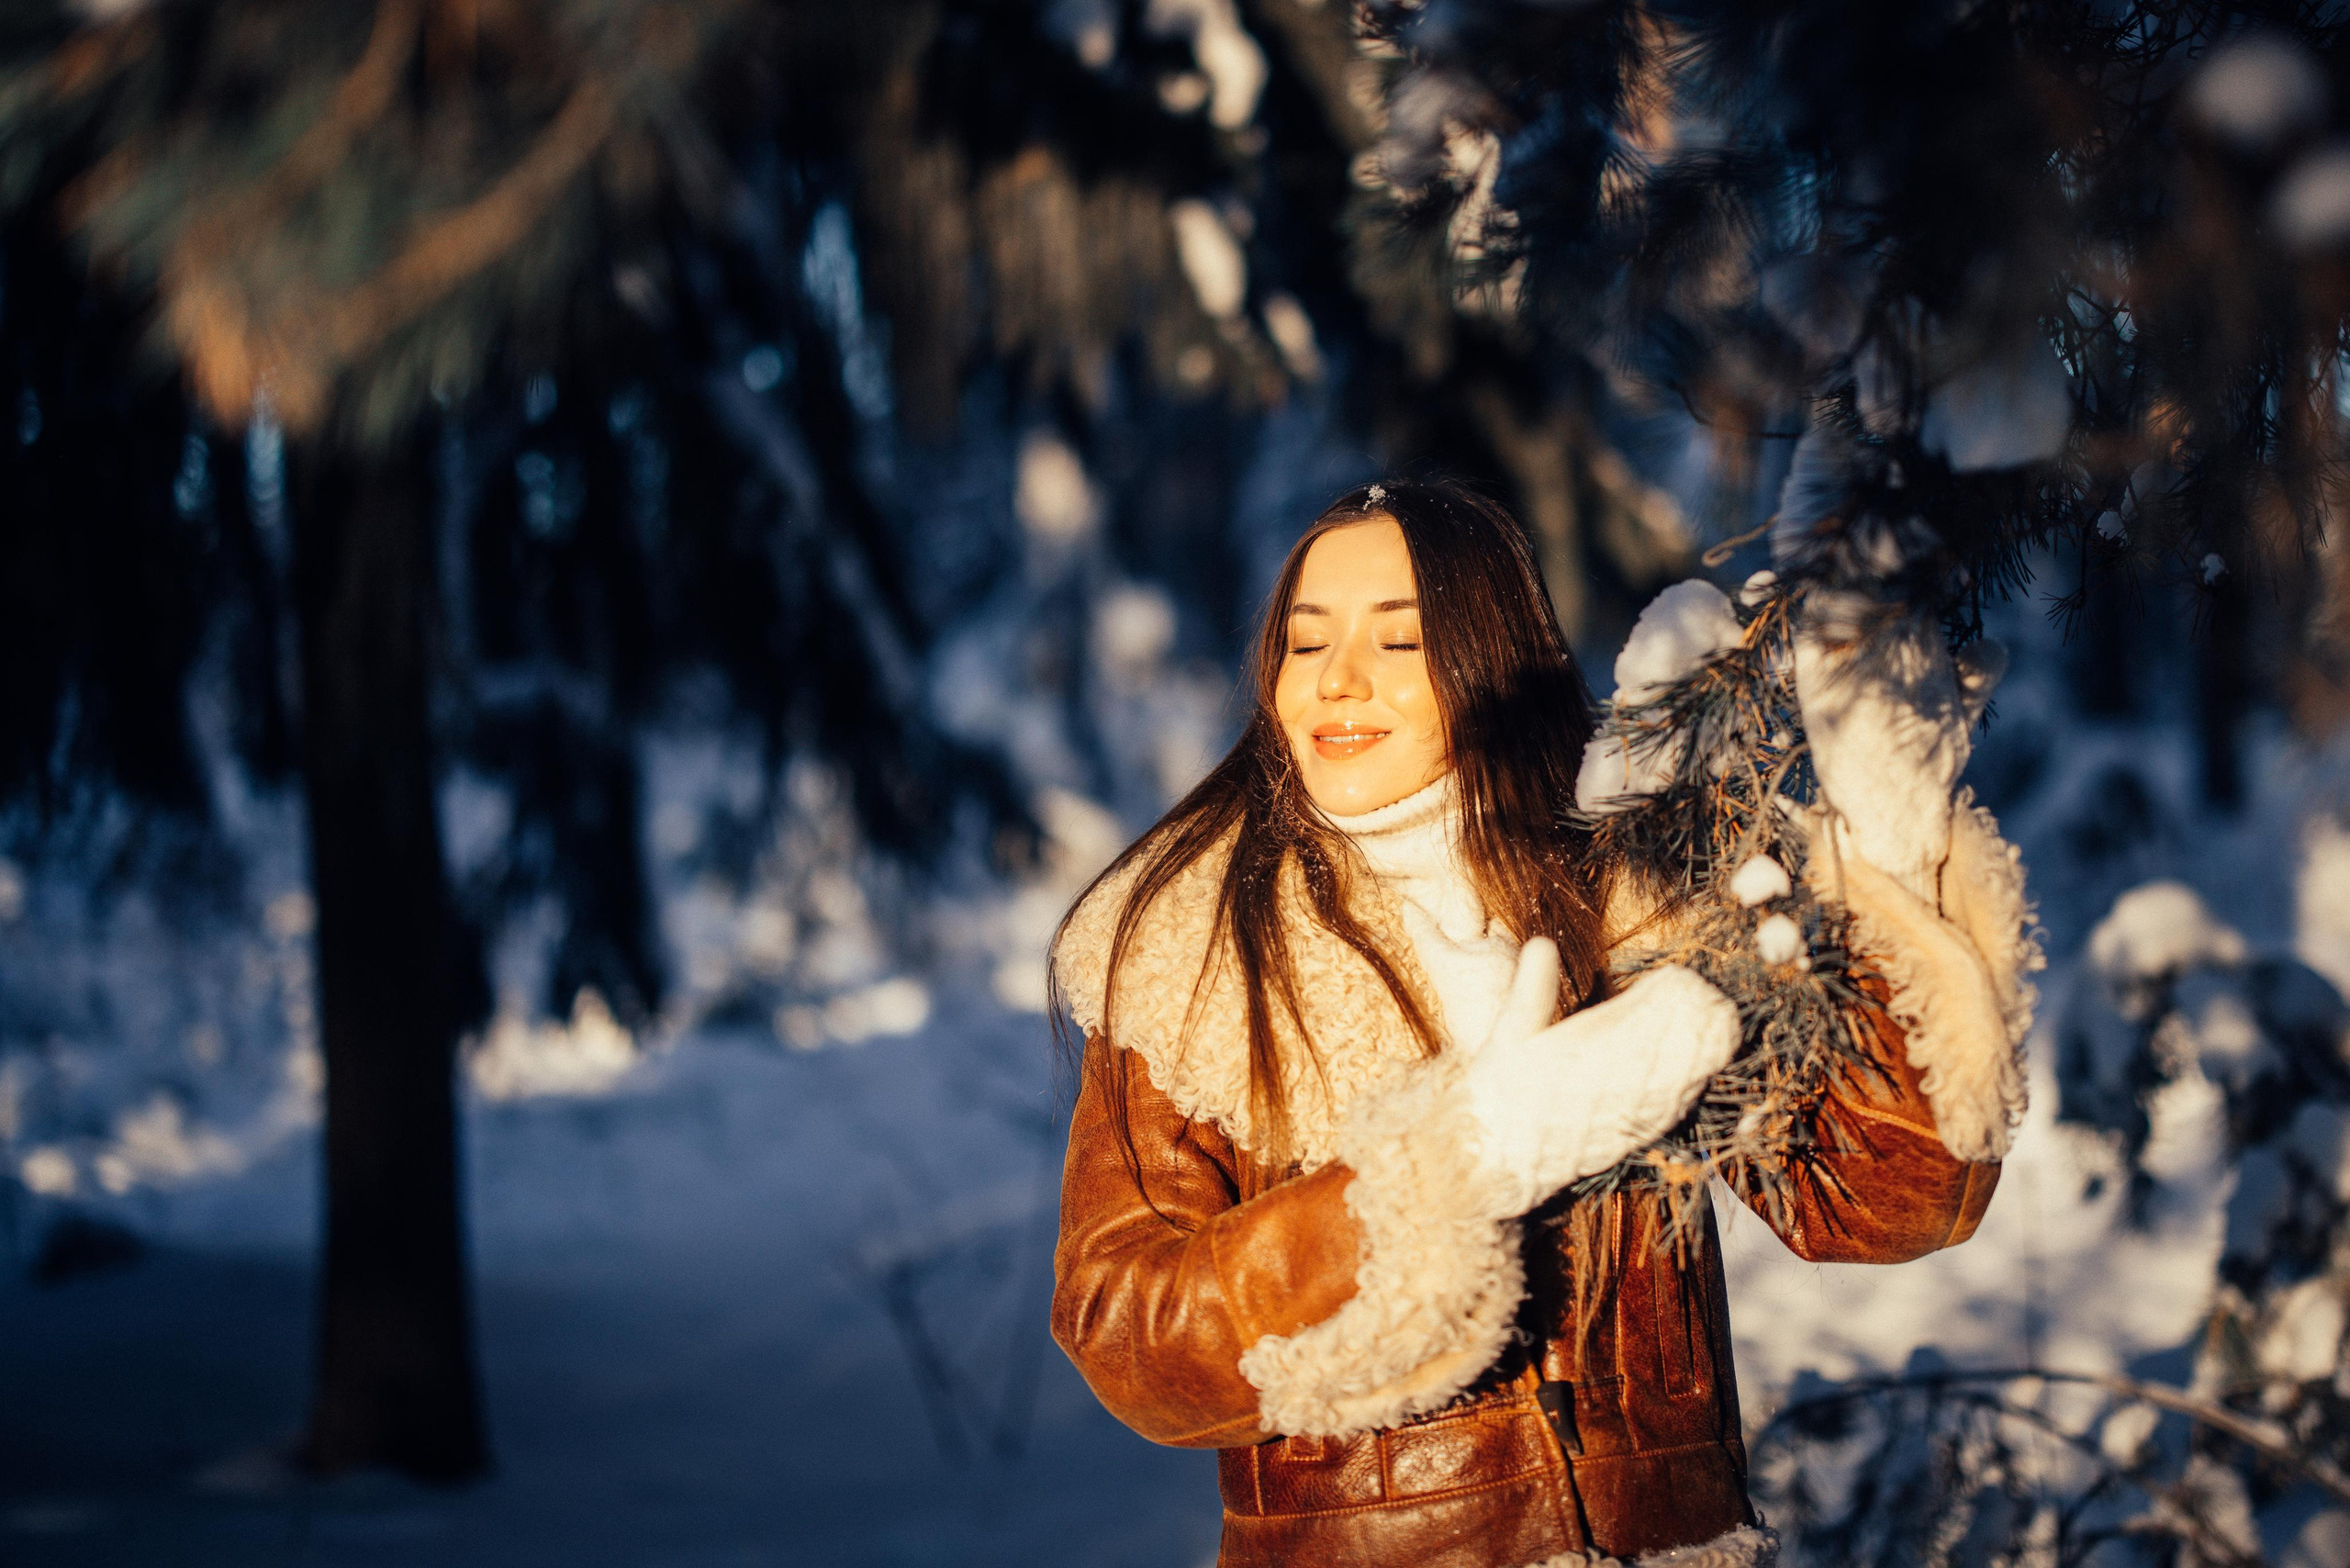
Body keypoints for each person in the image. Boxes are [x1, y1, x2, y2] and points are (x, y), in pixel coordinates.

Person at [1046, 478, 2035, 1567]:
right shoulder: (1191, 946)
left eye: (1399, 640)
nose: (1335, 681)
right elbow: (1130, 1337)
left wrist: (1889, 847)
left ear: (1487, 654)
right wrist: (1456, 1164)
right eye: (1305, 641)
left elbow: (1881, 1207)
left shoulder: (1630, 890)